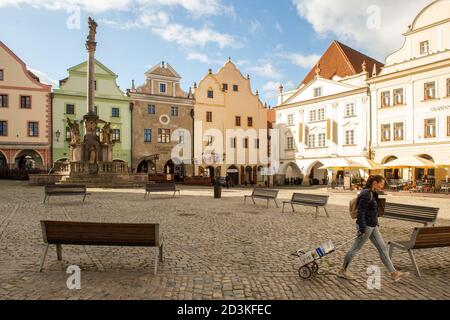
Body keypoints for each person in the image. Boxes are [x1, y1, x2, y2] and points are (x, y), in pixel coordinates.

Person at [339, 175, 410, 282]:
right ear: (374, 183)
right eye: (381, 183)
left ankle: (393, 273)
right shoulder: (366, 194)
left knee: (383, 248)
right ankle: (342, 270)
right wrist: (362, 228)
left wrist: (376, 223)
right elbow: (361, 212)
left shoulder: (372, 193)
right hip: (365, 226)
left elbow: (372, 211)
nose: (382, 186)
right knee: (355, 248)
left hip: (372, 225)